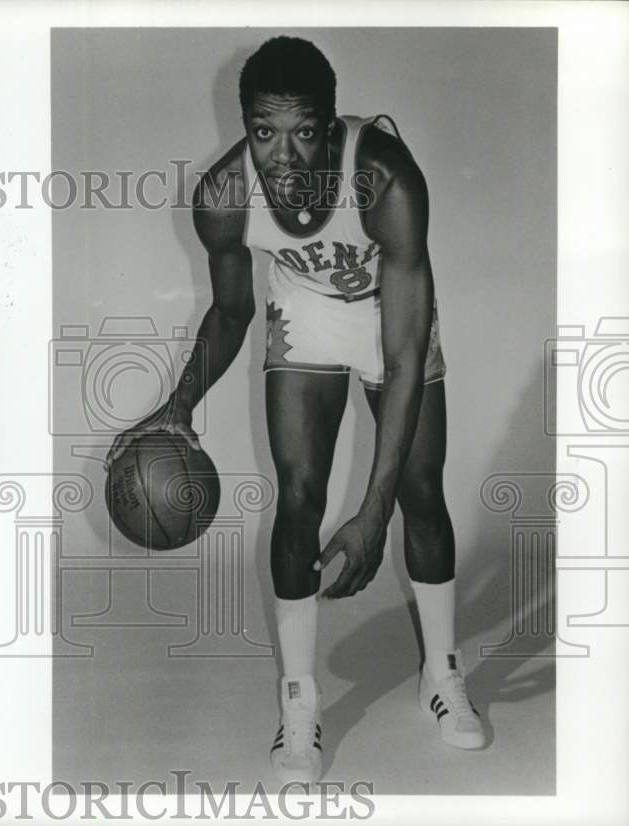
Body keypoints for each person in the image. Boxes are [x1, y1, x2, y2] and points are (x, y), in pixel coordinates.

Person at [108, 36, 484, 782]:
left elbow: (406, 356)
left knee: (419, 493)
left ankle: (441, 676)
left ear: (331, 125)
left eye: (304, 132)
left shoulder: (385, 178)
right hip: (305, 310)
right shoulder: (222, 197)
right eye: (263, 132)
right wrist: (177, 407)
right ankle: (298, 707)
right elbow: (230, 311)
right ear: (245, 124)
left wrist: (374, 512)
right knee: (299, 500)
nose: (282, 155)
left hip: (392, 314)